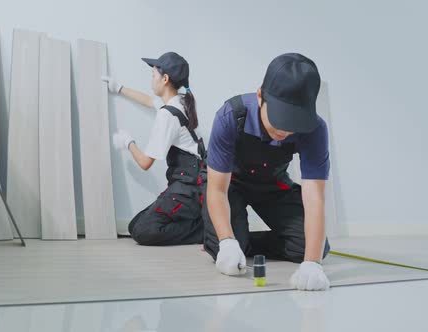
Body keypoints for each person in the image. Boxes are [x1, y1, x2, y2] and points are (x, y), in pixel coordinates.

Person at [202, 53, 331, 290]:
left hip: (273, 185)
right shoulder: (231, 116)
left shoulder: (315, 130)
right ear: (260, 95)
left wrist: (312, 263)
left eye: (295, 123)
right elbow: (217, 189)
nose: (285, 130)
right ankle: (232, 239)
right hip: (232, 185)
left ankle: (246, 240)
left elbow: (315, 198)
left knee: (316, 248)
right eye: (280, 118)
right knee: (223, 246)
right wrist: (227, 241)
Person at [104, 52, 206, 246]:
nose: (151, 80)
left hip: (188, 190)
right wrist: (119, 88)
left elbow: (145, 163)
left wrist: (128, 142)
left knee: (142, 231)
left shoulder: (168, 116)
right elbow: (149, 101)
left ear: (165, 79)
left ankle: (204, 230)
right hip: (192, 186)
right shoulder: (182, 101)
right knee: (135, 225)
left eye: (153, 75)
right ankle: (198, 220)